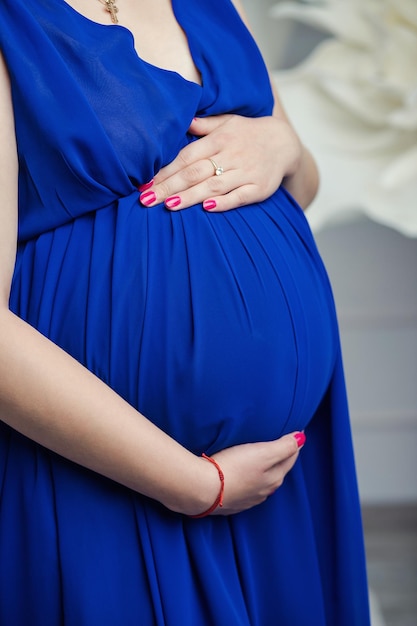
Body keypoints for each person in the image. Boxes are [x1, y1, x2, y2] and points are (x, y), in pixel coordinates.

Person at [0, 0, 371, 624]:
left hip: (277, 485)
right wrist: (196, 486)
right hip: (108, 477)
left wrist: (281, 146)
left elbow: (299, 187)